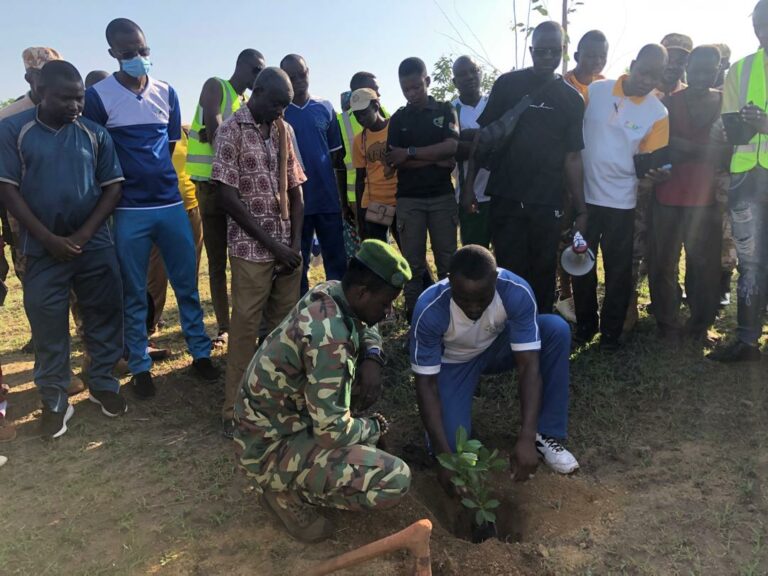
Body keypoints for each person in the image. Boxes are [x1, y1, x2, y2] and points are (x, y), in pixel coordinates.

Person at [234, 239, 412, 543]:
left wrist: (372, 356)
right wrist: (374, 427)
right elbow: (332, 432)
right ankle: (284, 491)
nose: (388, 313)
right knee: (395, 478)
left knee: (360, 431)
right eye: (385, 304)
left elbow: (367, 326)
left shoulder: (332, 291)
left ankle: (296, 477)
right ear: (361, 292)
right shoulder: (331, 343)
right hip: (268, 447)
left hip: (279, 421)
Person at [83, 18, 218, 399]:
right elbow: (96, 152)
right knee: (134, 290)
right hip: (128, 210)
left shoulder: (166, 92)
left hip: (171, 203)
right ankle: (140, 366)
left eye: (143, 51)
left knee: (187, 285)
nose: (139, 59)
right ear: (113, 54)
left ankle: (201, 354)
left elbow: (170, 142)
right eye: (129, 54)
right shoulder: (99, 97)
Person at [0, 61, 126, 438]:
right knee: (47, 322)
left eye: (80, 98)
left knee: (104, 314)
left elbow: (112, 187)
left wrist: (84, 235)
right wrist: (49, 239)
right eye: (65, 98)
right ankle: (55, 399)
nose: (75, 106)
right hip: (41, 248)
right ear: (40, 92)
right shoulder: (12, 131)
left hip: (94, 244)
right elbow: (8, 190)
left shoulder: (95, 133)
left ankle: (102, 382)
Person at [411, 245, 579, 497]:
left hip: (497, 347)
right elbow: (425, 384)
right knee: (454, 450)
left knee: (555, 329)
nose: (474, 308)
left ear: (495, 281)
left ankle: (545, 434)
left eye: (483, 298)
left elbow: (528, 365)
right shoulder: (430, 308)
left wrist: (526, 435)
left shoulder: (515, 290)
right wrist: (444, 458)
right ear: (449, 282)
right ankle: (452, 436)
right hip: (453, 364)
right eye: (464, 299)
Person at [211, 68, 306, 438]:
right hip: (252, 250)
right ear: (257, 91)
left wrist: (294, 245)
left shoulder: (284, 128)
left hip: (287, 250)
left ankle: (278, 403)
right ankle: (234, 411)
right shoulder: (231, 130)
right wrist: (274, 246)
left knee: (283, 332)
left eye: (286, 105)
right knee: (245, 330)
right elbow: (227, 198)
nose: (282, 110)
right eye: (277, 102)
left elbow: (297, 189)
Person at [477, 21, 587, 314]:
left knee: (542, 269)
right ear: (531, 50)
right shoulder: (506, 85)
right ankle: (507, 329)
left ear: (563, 52)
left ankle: (538, 332)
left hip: (547, 199)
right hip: (506, 194)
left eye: (554, 51)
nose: (547, 57)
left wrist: (581, 206)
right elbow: (484, 138)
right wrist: (468, 186)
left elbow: (573, 157)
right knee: (508, 270)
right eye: (541, 51)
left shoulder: (572, 99)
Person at [572, 44, 670, 351]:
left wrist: (658, 173)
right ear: (632, 64)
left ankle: (610, 333)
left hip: (622, 202)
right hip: (585, 200)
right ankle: (585, 325)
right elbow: (574, 134)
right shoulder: (597, 90)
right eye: (644, 71)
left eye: (655, 75)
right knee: (581, 263)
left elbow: (653, 160)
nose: (646, 80)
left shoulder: (658, 112)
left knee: (617, 271)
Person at [649, 46, 728, 345]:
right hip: (667, 195)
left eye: (709, 70)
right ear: (687, 69)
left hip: (705, 198)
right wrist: (703, 150)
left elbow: (727, 151)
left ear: (718, 70)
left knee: (704, 265)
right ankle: (667, 323)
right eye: (696, 70)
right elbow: (662, 146)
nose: (701, 76)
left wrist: (686, 147)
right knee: (663, 262)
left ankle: (699, 324)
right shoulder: (667, 103)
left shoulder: (724, 103)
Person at [187, 49, 265, 347]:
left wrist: (223, 135)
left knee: (244, 258)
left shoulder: (245, 102)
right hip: (211, 188)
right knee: (218, 262)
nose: (258, 76)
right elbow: (215, 124)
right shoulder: (216, 85)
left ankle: (248, 321)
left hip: (236, 189)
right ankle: (224, 327)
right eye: (255, 69)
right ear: (241, 65)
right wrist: (228, 137)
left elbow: (222, 133)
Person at [710, 0, 768, 362]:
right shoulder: (741, 69)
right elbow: (729, 128)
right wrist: (738, 127)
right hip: (747, 176)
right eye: (760, 21)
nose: (764, 27)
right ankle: (747, 342)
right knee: (750, 261)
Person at [387, 57, 459, 322]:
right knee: (412, 266)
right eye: (406, 89)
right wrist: (434, 159)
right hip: (409, 200)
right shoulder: (398, 119)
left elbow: (451, 148)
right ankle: (416, 320)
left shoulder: (445, 110)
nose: (412, 93)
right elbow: (394, 160)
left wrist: (411, 154)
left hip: (442, 197)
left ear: (427, 81)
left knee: (448, 263)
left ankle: (452, 318)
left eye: (417, 87)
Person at [280, 54, 348, 294]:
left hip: (327, 200)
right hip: (296, 204)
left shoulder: (326, 108)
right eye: (291, 76)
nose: (298, 80)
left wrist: (342, 200)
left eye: (302, 74)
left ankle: (340, 312)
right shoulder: (279, 114)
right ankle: (301, 319)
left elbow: (336, 158)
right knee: (298, 266)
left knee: (337, 263)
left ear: (309, 72)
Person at [557, 30, 609, 323]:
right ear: (577, 56)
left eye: (601, 55)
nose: (596, 61)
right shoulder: (563, 85)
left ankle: (585, 295)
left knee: (587, 238)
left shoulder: (607, 87)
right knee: (565, 236)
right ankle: (566, 296)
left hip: (598, 176)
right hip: (567, 174)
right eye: (590, 55)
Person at [146, 124, 205, 335]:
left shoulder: (186, 132)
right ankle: (150, 325)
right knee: (155, 274)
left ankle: (192, 327)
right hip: (159, 211)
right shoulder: (148, 131)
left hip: (191, 208)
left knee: (190, 272)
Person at [452, 55, 492, 248]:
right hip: (469, 197)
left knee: (506, 257)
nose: (469, 77)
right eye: (462, 74)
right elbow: (452, 148)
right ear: (454, 81)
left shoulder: (494, 103)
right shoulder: (451, 110)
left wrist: (468, 136)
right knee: (475, 256)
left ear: (480, 73)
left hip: (499, 194)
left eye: (473, 71)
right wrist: (482, 138)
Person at [350, 88, 397, 242]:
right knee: (380, 254)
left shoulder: (396, 127)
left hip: (399, 200)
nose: (360, 119)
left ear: (376, 106)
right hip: (375, 204)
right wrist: (360, 215)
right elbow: (359, 178)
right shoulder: (359, 140)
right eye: (356, 115)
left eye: (363, 113)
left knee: (409, 252)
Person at [713, 43, 737, 306]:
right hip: (699, 175)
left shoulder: (732, 94)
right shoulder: (692, 93)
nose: (720, 68)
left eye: (723, 62)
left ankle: (723, 285)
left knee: (726, 233)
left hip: (727, 172)